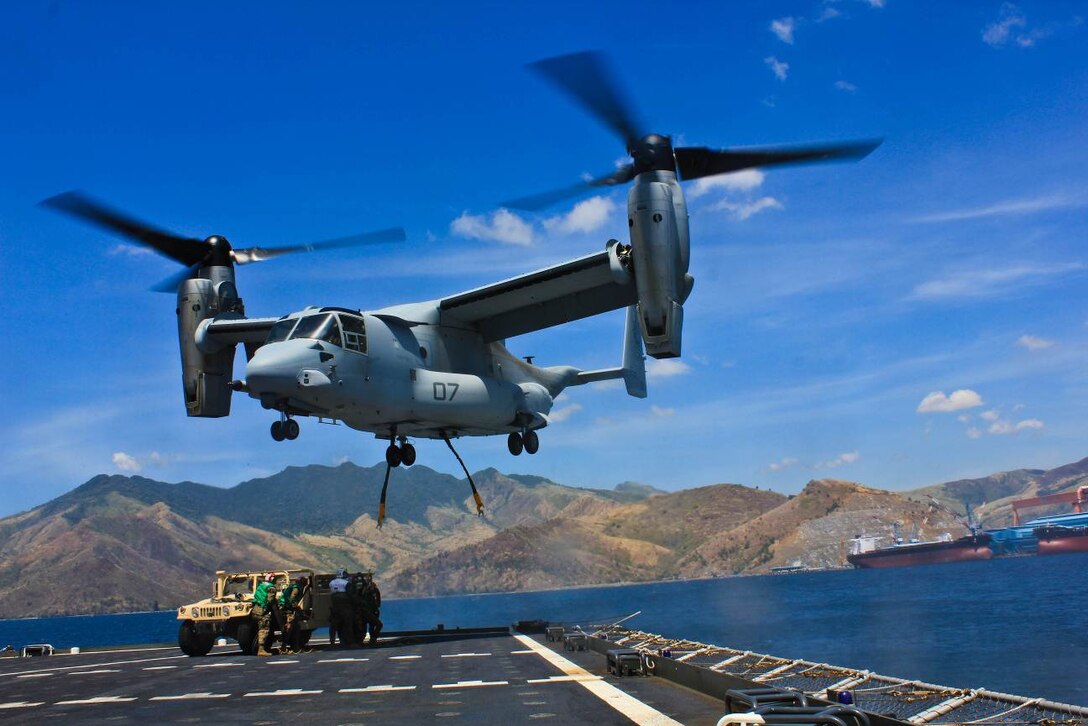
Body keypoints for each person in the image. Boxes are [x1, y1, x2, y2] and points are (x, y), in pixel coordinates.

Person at [252, 573, 281, 656]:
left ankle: (259, 647)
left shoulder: (261, 586)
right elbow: (270, 599)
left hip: (255, 609)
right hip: (262, 610)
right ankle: (261, 650)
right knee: (264, 629)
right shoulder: (271, 588)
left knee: (260, 628)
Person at [278, 575, 308, 653]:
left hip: (287, 608)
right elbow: (292, 599)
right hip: (288, 610)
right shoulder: (296, 588)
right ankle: (283, 647)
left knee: (296, 628)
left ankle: (296, 647)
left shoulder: (293, 586)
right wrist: (296, 607)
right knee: (289, 628)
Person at [328, 568, 354, 648]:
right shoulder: (346, 583)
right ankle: (349, 642)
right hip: (345, 605)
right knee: (348, 623)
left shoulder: (331, 583)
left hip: (335, 605)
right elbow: (351, 594)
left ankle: (332, 642)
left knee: (334, 625)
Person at [359, 572, 383, 645]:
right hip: (367, 612)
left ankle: (372, 639)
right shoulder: (364, 590)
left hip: (370, 611)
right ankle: (372, 639)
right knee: (374, 625)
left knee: (373, 626)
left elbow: (378, 601)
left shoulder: (372, 590)